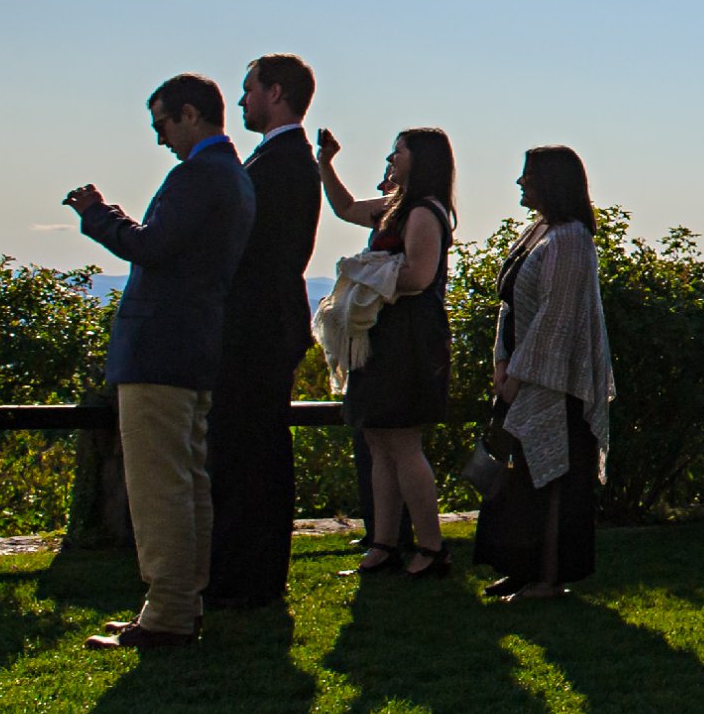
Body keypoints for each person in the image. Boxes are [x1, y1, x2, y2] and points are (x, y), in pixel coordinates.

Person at [67, 73, 256, 649]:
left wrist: (100, 215)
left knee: (159, 486)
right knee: (187, 478)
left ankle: (169, 613)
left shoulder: (198, 175)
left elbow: (152, 247)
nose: (159, 139)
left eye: (162, 124)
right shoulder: (234, 177)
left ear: (190, 115)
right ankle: (178, 602)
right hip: (195, 345)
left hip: (161, 348)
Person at [200, 54, 321, 613]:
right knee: (254, 450)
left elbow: (250, 247)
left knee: (246, 452)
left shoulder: (282, 162)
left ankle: (244, 576)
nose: (242, 101)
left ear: (275, 93)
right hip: (267, 320)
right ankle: (249, 574)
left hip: (257, 324)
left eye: (248, 91)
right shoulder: (282, 159)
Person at [476, 146, 615, 600]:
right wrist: (501, 363)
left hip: (556, 383)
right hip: (522, 371)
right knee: (520, 479)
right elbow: (513, 304)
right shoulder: (539, 232)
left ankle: (549, 577)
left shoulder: (571, 238)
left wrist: (521, 375)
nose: (519, 183)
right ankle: (520, 567)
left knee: (553, 478)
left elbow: (557, 317)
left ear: (551, 182)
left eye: (527, 176)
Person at [318, 126, 456, 576]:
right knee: (378, 440)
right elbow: (344, 208)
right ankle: (383, 543)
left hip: (408, 339)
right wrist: (327, 162)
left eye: (398, 152)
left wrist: (364, 275)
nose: (391, 159)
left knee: (402, 441)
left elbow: (418, 276)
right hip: (384, 336)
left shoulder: (422, 213)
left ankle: (431, 548)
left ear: (421, 160)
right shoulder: (395, 208)